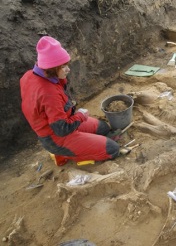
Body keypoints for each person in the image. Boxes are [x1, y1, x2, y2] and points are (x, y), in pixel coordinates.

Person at [20, 36, 120, 166]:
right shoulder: (48, 93)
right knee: (113, 149)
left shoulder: (31, 75)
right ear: (51, 69)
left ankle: (86, 143)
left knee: (103, 128)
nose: (68, 69)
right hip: (57, 137)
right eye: (63, 67)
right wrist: (80, 116)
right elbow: (62, 129)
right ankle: (65, 153)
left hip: (61, 121)